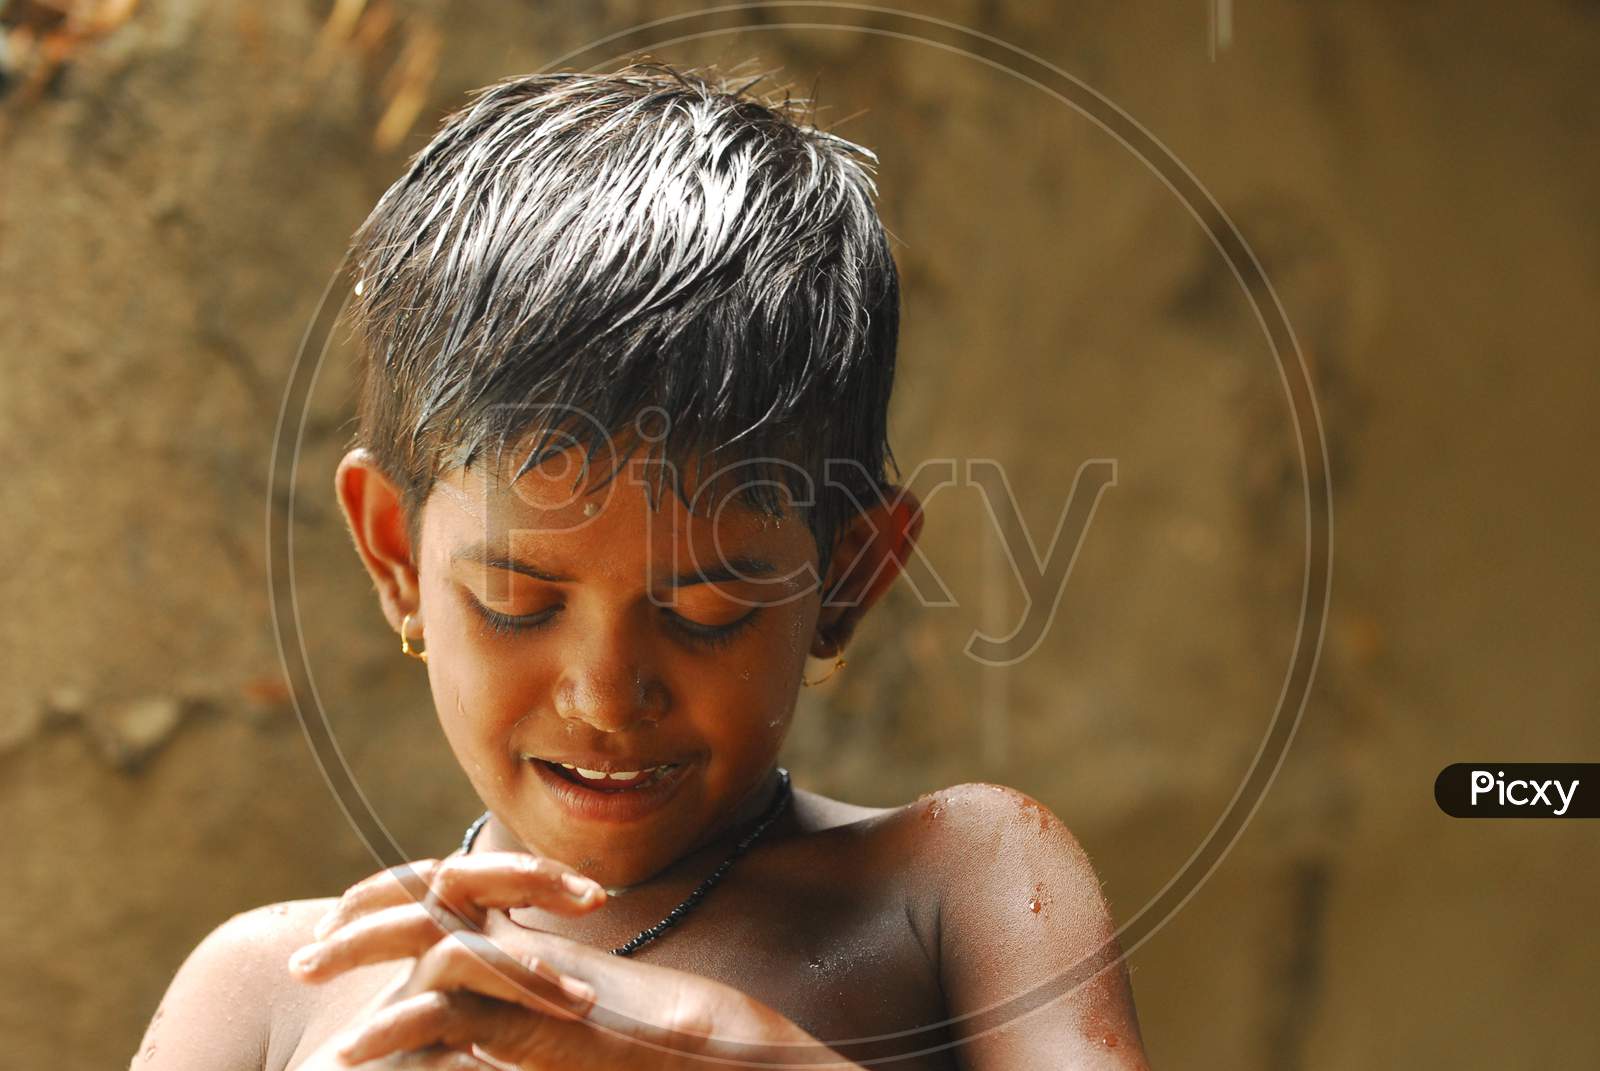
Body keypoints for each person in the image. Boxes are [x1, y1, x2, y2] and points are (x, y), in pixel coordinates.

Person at [137, 63, 1149, 1070]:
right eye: (514, 601)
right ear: (395, 553)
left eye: (707, 612)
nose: (606, 697)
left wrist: (725, 1047)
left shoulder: (954, 890)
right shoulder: (278, 993)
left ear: (846, 577)